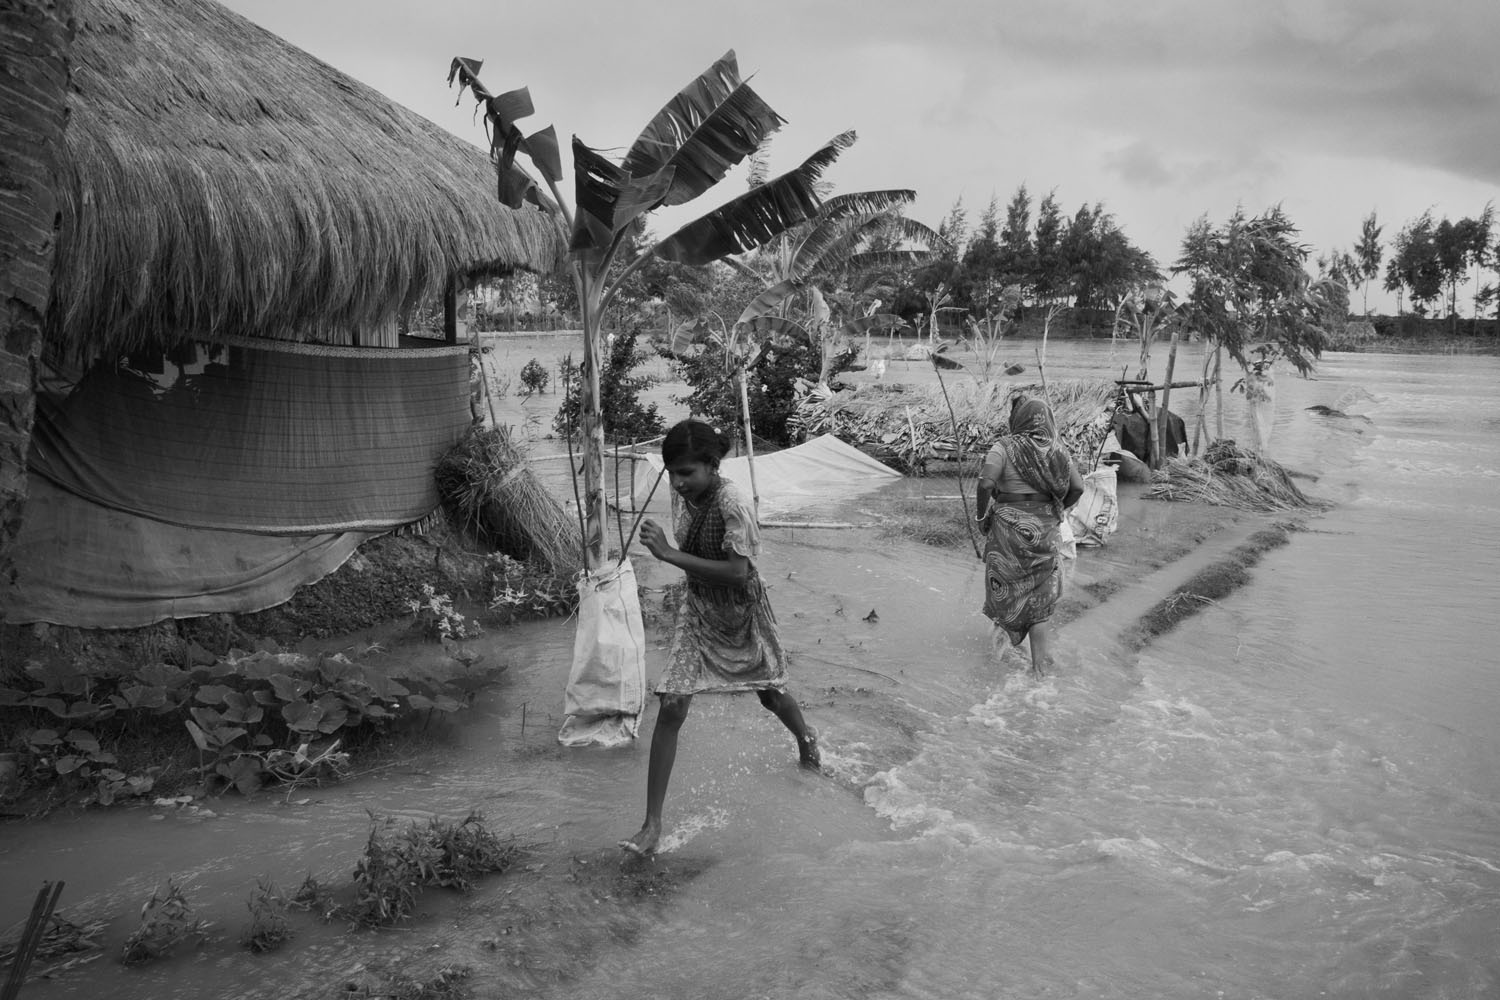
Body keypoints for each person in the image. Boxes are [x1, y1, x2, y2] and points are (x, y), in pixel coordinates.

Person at [620, 419, 821, 857]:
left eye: (687, 473)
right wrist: (672, 553)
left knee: (770, 694)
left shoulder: (734, 503)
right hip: (697, 609)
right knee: (672, 703)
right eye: (672, 473)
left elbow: (738, 572)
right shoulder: (684, 494)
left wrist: (669, 553)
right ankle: (652, 824)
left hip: (741, 611)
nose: (677, 483)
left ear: (712, 466)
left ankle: (807, 742)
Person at [974, 395, 1085, 676]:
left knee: (1005, 593)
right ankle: (1038, 669)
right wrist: (1058, 509)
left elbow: (986, 482)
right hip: (1044, 530)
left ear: (1017, 419)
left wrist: (981, 515)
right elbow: (1078, 487)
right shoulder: (1057, 450)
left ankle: (994, 664)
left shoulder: (1004, 447)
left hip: (1007, 533)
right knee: (1039, 601)